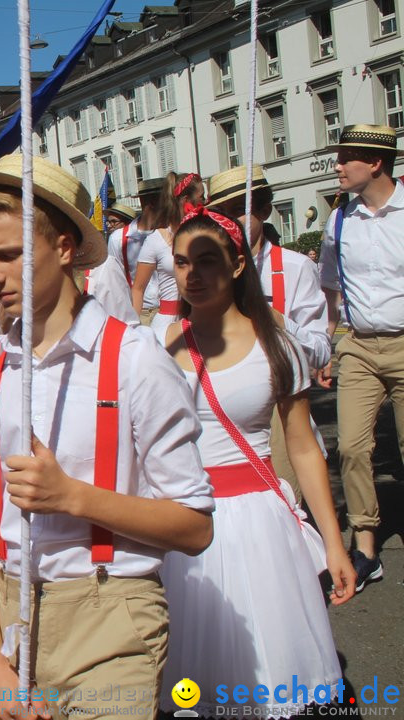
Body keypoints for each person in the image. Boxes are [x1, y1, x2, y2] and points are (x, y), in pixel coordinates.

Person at [0, 154, 214, 720]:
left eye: (10, 255)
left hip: (111, 612)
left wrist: (74, 497)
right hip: (12, 612)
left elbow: (194, 527)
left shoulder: (135, 359)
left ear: (64, 248)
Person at [159, 207, 355, 716]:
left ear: (238, 264)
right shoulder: (156, 345)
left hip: (259, 524)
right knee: (191, 678)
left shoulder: (277, 343)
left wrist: (335, 545)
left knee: (271, 669)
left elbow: (305, 448)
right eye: (181, 263)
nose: (192, 275)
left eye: (206, 261)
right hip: (183, 522)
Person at [207, 165, 333, 502]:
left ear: (264, 210)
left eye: (239, 212)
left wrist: (278, 321)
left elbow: (321, 352)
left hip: (277, 410)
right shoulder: (203, 273)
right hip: (218, 411)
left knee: (284, 506)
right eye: (221, 214)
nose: (231, 223)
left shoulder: (295, 267)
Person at [320, 124, 404, 591]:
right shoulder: (338, 221)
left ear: (375, 163)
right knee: (351, 447)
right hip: (358, 346)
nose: (338, 165)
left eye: (346, 157)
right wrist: (327, 345)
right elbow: (331, 286)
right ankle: (367, 546)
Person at [133, 172, 206, 341]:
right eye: (202, 196)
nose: (205, 201)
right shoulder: (155, 240)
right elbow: (138, 288)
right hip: (167, 322)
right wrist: (134, 328)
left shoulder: (203, 235)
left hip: (200, 319)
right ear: (186, 199)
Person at [110, 179, 162, 324]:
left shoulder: (171, 234)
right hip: (138, 314)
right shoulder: (118, 239)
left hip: (169, 312)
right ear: (152, 203)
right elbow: (114, 282)